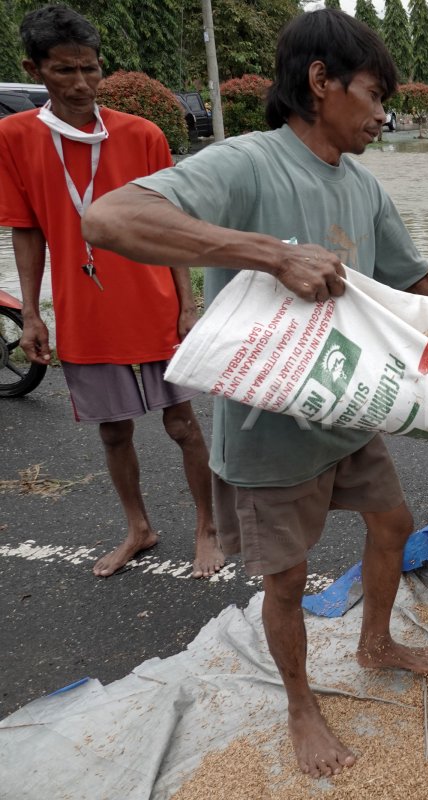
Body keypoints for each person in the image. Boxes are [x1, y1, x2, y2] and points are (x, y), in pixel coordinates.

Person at [82, 9, 428, 778]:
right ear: (320, 81)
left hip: (345, 407)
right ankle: (302, 706)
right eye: (372, 93)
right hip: (270, 425)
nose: (382, 112)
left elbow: (415, 277)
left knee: (393, 523)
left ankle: (376, 641)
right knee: (288, 580)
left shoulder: (360, 185)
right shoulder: (247, 162)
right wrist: (266, 254)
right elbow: (110, 217)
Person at [0, 5, 223, 579]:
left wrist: (189, 305)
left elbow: (170, 226)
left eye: (90, 69)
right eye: (63, 71)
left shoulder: (142, 134)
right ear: (34, 68)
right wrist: (30, 314)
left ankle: (208, 526)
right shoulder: (14, 137)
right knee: (113, 429)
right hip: (84, 310)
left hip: (154, 304)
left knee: (182, 424)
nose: (80, 84)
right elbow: (27, 232)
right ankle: (139, 529)